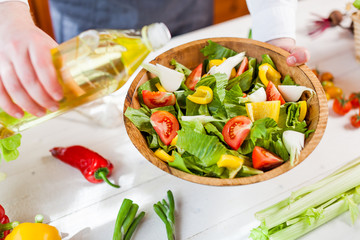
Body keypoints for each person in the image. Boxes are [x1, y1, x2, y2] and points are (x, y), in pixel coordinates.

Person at [0, 0, 310, 119]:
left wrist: (275, 30)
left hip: (186, 9)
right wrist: (8, 15)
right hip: (91, 20)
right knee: (83, 106)